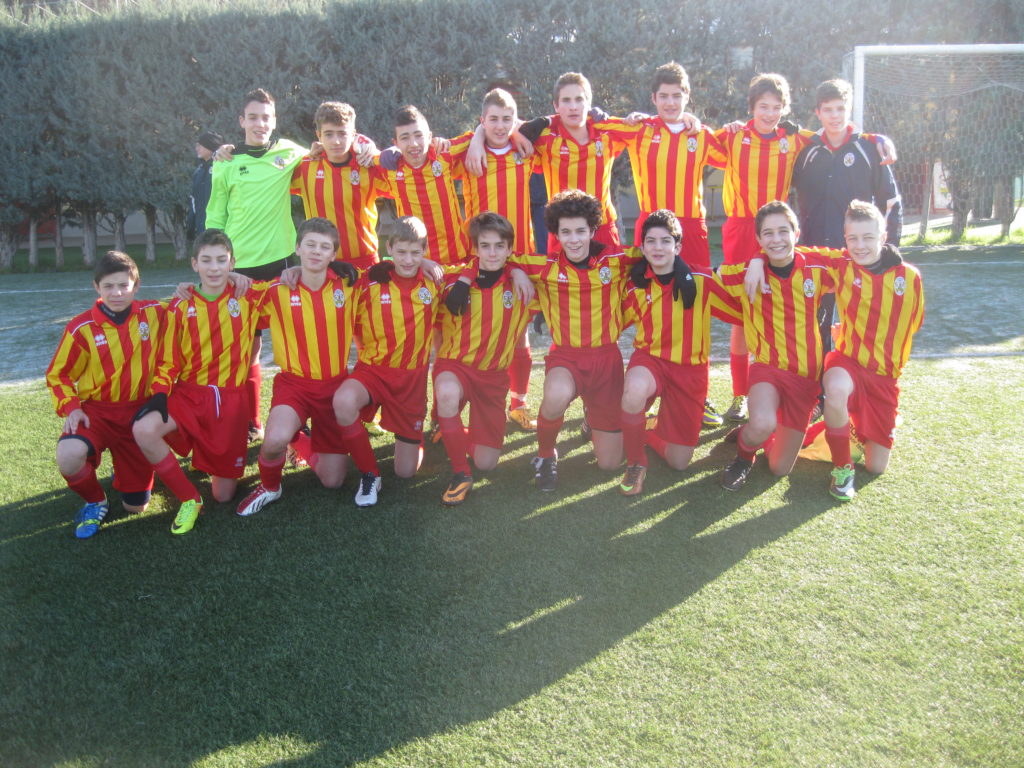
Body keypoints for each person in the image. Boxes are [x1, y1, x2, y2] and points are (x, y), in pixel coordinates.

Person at [744, 201, 923, 500]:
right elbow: (786, 251)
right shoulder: (841, 264)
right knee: (836, 389)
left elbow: (913, 323)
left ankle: (842, 430)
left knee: (877, 467)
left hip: (885, 377)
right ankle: (842, 470)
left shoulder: (910, 277)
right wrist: (756, 260)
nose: (859, 245)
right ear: (845, 238)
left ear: (883, 235)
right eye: (852, 238)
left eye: (868, 237)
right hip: (848, 362)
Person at [131, 230, 266, 534]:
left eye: (221, 260)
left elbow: (287, 290)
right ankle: (190, 498)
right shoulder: (181, 305)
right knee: (144, 428)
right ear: (194, 264)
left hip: (230, 402)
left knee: (223, 495)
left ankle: (206, 459)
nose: (215, 268)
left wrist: (294, 269)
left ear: (233, 262)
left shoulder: (249, 295)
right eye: (206, 260)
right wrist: (159, 394)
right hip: (190, 395)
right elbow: (168, 359)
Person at [509, 189, 638, 491]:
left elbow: (657, 254)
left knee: (609, 464)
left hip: (607, 361)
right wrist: (516, 272)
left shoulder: (616, 260)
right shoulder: (546, 266)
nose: (574, 239)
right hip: (566, 357)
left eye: (581, 230)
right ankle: (544, 456)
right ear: (556, 233)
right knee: (554, 397)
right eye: (566, 232)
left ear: (593, 230)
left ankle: (591, 417)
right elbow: (501, 258)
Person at [234, 218, 361, 518]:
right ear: (297, 248)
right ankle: (270, 486)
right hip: (295, 386)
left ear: (334, 255)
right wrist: (224, 277)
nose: (316, 252)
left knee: (333, 481)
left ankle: (299, 439)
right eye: (310, 245)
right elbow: (227, 287)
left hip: (334, 386)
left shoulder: (349, 284)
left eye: (325, 247)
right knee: (274, 440)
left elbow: (394, 270)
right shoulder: (276, 289)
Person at [793, 79, 904, 412]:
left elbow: (891, 202)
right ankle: (819, 395)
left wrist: (891, 247)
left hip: (857, 254)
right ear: (818, 112)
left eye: (841, 109)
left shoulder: (869, 148)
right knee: (817, 324)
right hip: (816, 255)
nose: (835, 116)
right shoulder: (808, 149)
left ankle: (864, 392)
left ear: (849, 109)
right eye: (828, 110)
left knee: (861, 322)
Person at [205, 88, 308, 443]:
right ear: (241, 121)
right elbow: (215, 215)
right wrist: (219, 264)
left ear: (274, 120)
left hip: (281, 266)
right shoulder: (225, 161)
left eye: (266, 117)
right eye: (253, 117)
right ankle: (251, 422)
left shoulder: (290, 152)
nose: (260, 123)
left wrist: (363, 142)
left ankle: (297, 425)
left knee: (292, 345)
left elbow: (330, 150)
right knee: (245, 348)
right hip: (239, 269)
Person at [618, 210, 741, 496]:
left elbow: (738, 313)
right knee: (634, 391)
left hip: (690, 372)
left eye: (665, 241)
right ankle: (636, 462)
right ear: (643, 246)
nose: (658, 247)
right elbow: (614, 322)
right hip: (651, 361)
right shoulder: (636, 284)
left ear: (678, 247)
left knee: (679, 461)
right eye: (651, 241)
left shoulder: (700, 279)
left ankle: (647, 431)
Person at [717, 201, 835, 490]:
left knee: (779, 468)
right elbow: (706, 276)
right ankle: (744, 457)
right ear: (758, 239)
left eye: (784, 231)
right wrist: (756, 260)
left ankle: (754, 431)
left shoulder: (818, 265)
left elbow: (857, 260)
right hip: (768, 370)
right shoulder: (747, 272)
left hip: (806, 379)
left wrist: (890, 255)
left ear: (797, 233)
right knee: (763, 424)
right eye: (767, 234)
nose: (776, 239)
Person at [45, 251, 164, 538]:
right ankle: (95, 500)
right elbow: (57, 375)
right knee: (69, 455)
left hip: (139, 415)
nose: (117, 293)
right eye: (109, 286)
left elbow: (194, 304)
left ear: (136, 286)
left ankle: (129, 470)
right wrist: (72, 408)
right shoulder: (81, 328)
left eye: (124, 285)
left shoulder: (154, 313)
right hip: (97, 412)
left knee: (136, 507)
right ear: (96, 287)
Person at [332, 217, 442, 506]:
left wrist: (428, 263)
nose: (408, 260)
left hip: (410, 381)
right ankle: (370, 474)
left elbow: (475, 270)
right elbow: (325, 274)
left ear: (424, 249)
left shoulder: (435, 280)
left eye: (415, 253)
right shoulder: (369, 279)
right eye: (401, 252)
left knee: (405, 472)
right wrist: (294, 268)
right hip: (374, 372)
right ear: (388, 248)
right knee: (343, 401)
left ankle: (412, 436)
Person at [449, 88, 539, 431]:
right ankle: (451, 412)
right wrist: (474, 138)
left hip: (520, 257)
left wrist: (517, 130)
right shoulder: (465, 152)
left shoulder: (526, 148)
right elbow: (425, 147)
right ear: (482, 120)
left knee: (519, 334)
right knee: (469, 333)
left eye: (508, 119)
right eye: (493, 120)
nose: (500, 126)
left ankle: (518, 405)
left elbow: (558, 124)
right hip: (477, 257)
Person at [432, 212, 536, 505]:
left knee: (487, 462)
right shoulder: (454, 277)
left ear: (509, 249)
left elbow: (554, 267)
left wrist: (516, 269)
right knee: (448, 393)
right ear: (474, 249)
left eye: (499, 246)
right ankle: (460, 473)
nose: (492, 253)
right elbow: (417, 269)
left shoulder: (524, 282)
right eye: (485, 246)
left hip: (493, 377)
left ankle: (451, 431)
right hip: (457, 366)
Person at [291, 101, 387, 271]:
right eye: (328, 134)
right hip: (321, 264)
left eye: (342, 134)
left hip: (364, 262)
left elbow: (404, 175)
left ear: (353, 135)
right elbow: (270, 175)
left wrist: (371, 147)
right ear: (318, 136)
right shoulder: (306, 166)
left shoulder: (367, 165)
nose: (336, 141)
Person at [374, 106, 468, 265]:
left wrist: (478, 140)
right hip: (415, 264)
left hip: (457, 259)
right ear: (395, 143)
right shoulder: (388, 166)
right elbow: (357, 150)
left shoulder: (444, 153)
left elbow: (480, 133)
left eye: (419, 135)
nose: (413, 144)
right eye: (404, 138)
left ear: (430, 136)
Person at [186, 131, 223, 240]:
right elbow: (194, 201)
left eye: (199, 145)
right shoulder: (199, 171)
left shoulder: (223, 167)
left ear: (209, 146)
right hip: (201, 230)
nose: (197, 148)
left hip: (220, 230)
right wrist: (191, 226)